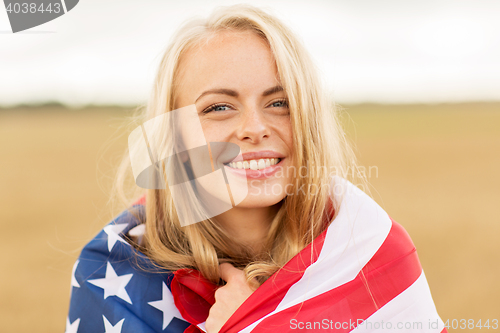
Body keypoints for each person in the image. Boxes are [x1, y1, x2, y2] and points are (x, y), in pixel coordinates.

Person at [66, 4, 447, 333]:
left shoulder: (368, 250)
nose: (254, 128)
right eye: (218, 107)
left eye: (280, 102)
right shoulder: (115, 272)